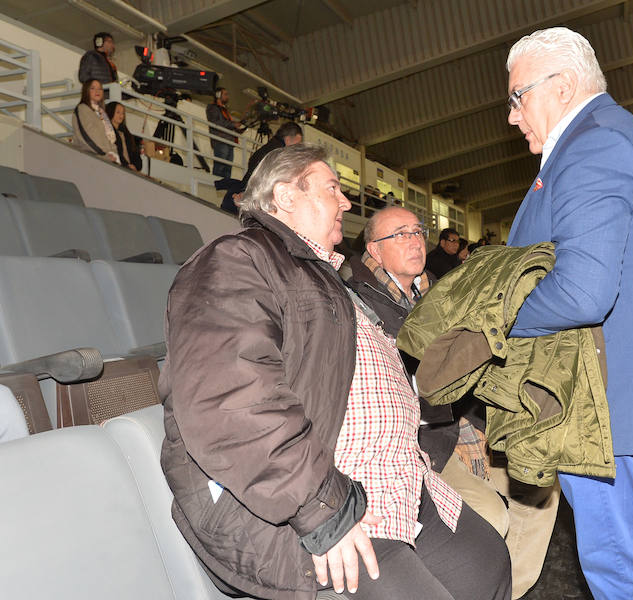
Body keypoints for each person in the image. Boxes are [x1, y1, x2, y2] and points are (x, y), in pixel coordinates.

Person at [159, 144, 511, 600]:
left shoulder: (328, 280)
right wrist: (323, 510)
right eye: (332, 189)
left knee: (488, 562)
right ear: (286, 196)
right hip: (313, 503)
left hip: (396, 480)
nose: (346, 203)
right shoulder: (236, 260)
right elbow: (232, 401)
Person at [502, 27, 633, 598]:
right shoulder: (600, 138)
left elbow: (584, 291)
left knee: (621, 572)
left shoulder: (595, 145)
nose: (513, 117)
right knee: (624, 561)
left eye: (518, 98)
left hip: (607, 405)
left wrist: (491, 324)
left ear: (561, 86)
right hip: (612, 395)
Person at [343, 206, 559, 599]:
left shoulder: (443, 290)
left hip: (466, 427)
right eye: (400, 233)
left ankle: (502, 589)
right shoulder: (358, 303)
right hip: (423, 446)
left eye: (417, 230)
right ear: (373, 249)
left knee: (541, 492)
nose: (414, 239)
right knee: (492, 516)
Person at [220, 121, 305, 214]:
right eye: (297, 142)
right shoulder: (278, 153)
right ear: (288, 139)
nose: (297, 147)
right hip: (252, 197)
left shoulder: (269, 148)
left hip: (244, 191)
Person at [72, 79, 119, 164]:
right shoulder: (83, 109)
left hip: (106, 158)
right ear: (86, 91)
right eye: (93, 88)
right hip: (90, 159)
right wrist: (105, 153)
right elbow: (87, 137)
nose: (97, 91)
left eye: (100, 88)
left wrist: (114, 154)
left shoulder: (102, 113)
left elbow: (110, 138)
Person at [206, 87, 245, 179]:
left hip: (229, 141)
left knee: (227, 169)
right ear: (218, 95)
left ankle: (224, 188)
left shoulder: (224, 110)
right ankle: (217, 185)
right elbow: (216, 122)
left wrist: (238, 129)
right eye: (225, 94)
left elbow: (227, 125)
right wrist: (233, 124)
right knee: (220, 167)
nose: (228, 97)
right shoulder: (213, 107)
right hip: (221, 141)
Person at [104, 101, 141, 171]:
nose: (121, 115)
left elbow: (135, 152)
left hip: (129, 169)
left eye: (123, 113)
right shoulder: (107, 131)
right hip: (118, 168)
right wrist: (127, 166)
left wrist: (136, 166)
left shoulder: (126, 133)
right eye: (118, 112)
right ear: (111, 112)